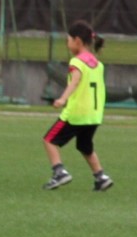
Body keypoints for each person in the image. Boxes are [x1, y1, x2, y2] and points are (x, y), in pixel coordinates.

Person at [42, 20, 113, 192]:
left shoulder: (77, 62)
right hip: (94, 115)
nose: (67, 44)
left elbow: (75, 82)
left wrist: (62, 99)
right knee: (84, 146)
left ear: (77, 41)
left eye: (68, 40)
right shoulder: (98, 64)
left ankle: (59, 172)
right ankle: (100, 177)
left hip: (76, 114)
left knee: (49, 140)